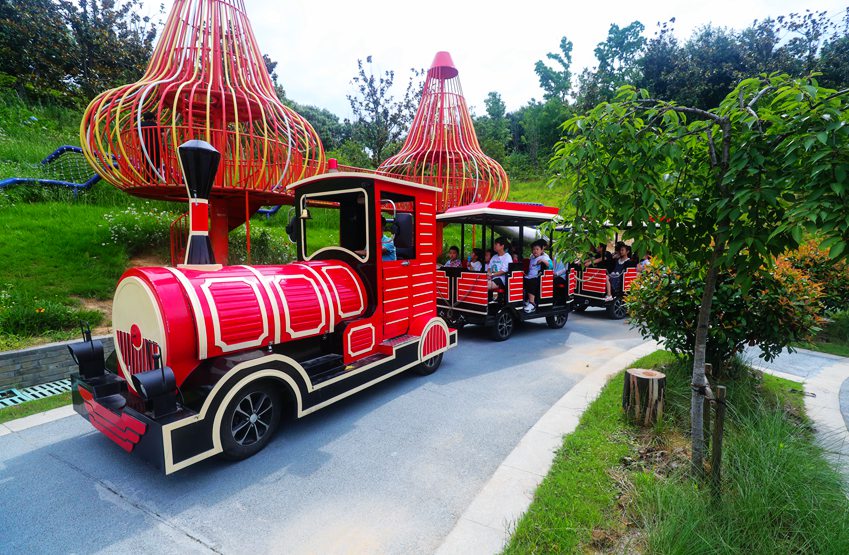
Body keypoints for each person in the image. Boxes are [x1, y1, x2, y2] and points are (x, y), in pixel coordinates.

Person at [524, 240, 552, 313]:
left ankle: (532, 304)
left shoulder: (544, 257)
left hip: (538, 277)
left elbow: (551, 266)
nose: (535, 251)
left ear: (542, 250)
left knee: (531, 282)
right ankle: (525, 300)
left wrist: (543, 261)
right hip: (529, 276)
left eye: (537, 249)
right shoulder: (532, 257)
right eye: (533, 249)